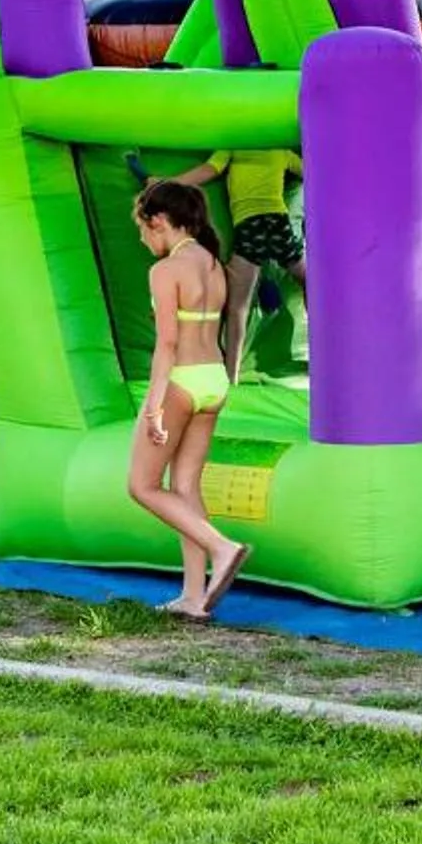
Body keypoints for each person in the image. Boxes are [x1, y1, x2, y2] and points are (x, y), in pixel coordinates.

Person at [128, 179, 254, 618]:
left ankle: (222, 548)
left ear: (159, 221)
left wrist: (154, 405)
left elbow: (166, 344)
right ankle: (194, 597)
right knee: (185, 487)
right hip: (214, 380)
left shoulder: (165, 271)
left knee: (142, 486)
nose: (142, 239)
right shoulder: (214, 264)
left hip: (181, 380)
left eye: (142, 228)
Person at [162, 147, 303, 377]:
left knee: (238, 307)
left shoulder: (235, 147)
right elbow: (312, 173)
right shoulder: (280, 151)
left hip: (250, 225)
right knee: (308, 281)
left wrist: (168, 184)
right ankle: (325, 344)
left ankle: (231, 375)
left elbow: (208, 170)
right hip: (277, 222)